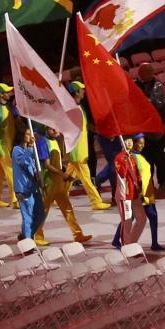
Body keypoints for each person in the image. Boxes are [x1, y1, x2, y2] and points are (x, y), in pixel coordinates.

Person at [40, 128, 94, 245]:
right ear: (46, 129)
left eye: (56, 129)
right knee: (43, 211)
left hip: (58, 183)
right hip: (49, 183)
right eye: (52, 129)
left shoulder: (56, 141)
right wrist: (62, 173)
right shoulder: (43, 142)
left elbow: (60, 161)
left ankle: (78, 234)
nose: (55, 131)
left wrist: (65, 175)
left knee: (68, 209)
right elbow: (48, 165)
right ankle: (37, 235)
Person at [65, 82, 113, 212]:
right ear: (76, 92)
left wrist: (101, 132)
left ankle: (59, 197)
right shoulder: (72, 109)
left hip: (80, 149)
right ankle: (96, 202)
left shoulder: (77, 107)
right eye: (81, 90)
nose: (84, 91)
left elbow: (85, 127)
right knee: (86, 178)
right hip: (77, 150)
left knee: (68, 177)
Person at [135, 64, 165, 193]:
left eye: (145, 72)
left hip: (156, 128)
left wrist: (144, 102)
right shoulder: (135, 85)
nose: (141, 74)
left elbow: (157, 104)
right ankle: (148, 183)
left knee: (159, 158)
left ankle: (163, 182)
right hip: (143, 128)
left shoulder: (158, 86)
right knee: (146, 159)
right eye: (141, 72)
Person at [12, 127, 46, 245]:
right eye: (27, 134)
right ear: (22, 135)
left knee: (40, 214)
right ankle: (28, 244)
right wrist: (31, 148)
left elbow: (32, 166)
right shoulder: (17, 150)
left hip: (33, 187)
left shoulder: (30, 150)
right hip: (23, 189)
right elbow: (23, 162)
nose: (30, 136)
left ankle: (26, 235)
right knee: (28, 217)